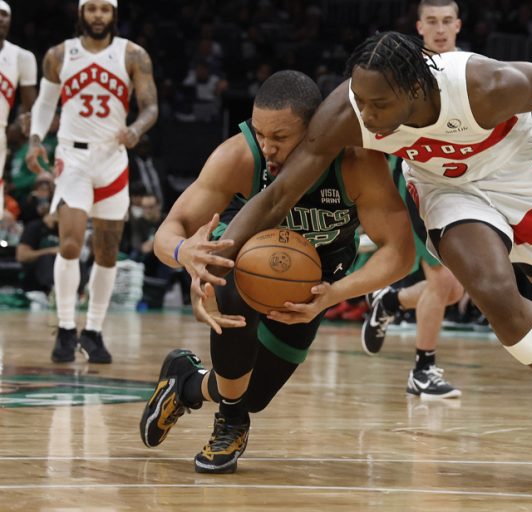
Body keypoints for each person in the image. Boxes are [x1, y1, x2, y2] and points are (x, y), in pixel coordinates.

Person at [204, 32, 532, 475]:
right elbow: (278, 195)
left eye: (379, 105)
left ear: (415, 89)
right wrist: (218, 256)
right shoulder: (348, 113)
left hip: (525, 182)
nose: (366, 114)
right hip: (449, 192)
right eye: (360, 100)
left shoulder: (479, 86)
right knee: (493, 291)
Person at [139, 71, 413, 474]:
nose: (268, 146)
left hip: (311, 284)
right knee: (232, 273)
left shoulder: (356, 164)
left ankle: (186, 381)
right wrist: (187, 254)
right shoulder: (240, 156)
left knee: (253, 393)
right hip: (241, 268)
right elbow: (170, 229)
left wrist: (335, 295)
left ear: (316, 126)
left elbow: (401, 254)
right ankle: (230, 424)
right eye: (260, 132)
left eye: (281, 137)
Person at [26, 0, 158, 364]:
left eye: (104, 9)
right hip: (73, 158)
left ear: (113, 14)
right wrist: (35, 141)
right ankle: (66, 329)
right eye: (92, 9)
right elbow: (44, 104)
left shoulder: (133, 54)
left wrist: (135, 128)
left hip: (113, 156)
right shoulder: (59, 54)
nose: (98, 15)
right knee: (69, 244)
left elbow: (150, 107)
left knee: (107, 251)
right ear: (81, 12)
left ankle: (94, 331)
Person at [362, 0, 465, 400]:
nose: (439, 29)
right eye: (432, 22)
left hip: (458, 184)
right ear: (419, 27)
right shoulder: (403, 72)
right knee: (442, 282)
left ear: (457, 25)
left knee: (454, 290)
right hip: (416, 180)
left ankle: (391, 300)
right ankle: (423, 369)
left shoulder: (470, 67)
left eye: (446, 22)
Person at [0, 0, 37, 220]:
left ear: (10, 20)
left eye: (4, 14)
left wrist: (23, 123)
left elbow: (30, 108)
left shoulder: (22, 57)